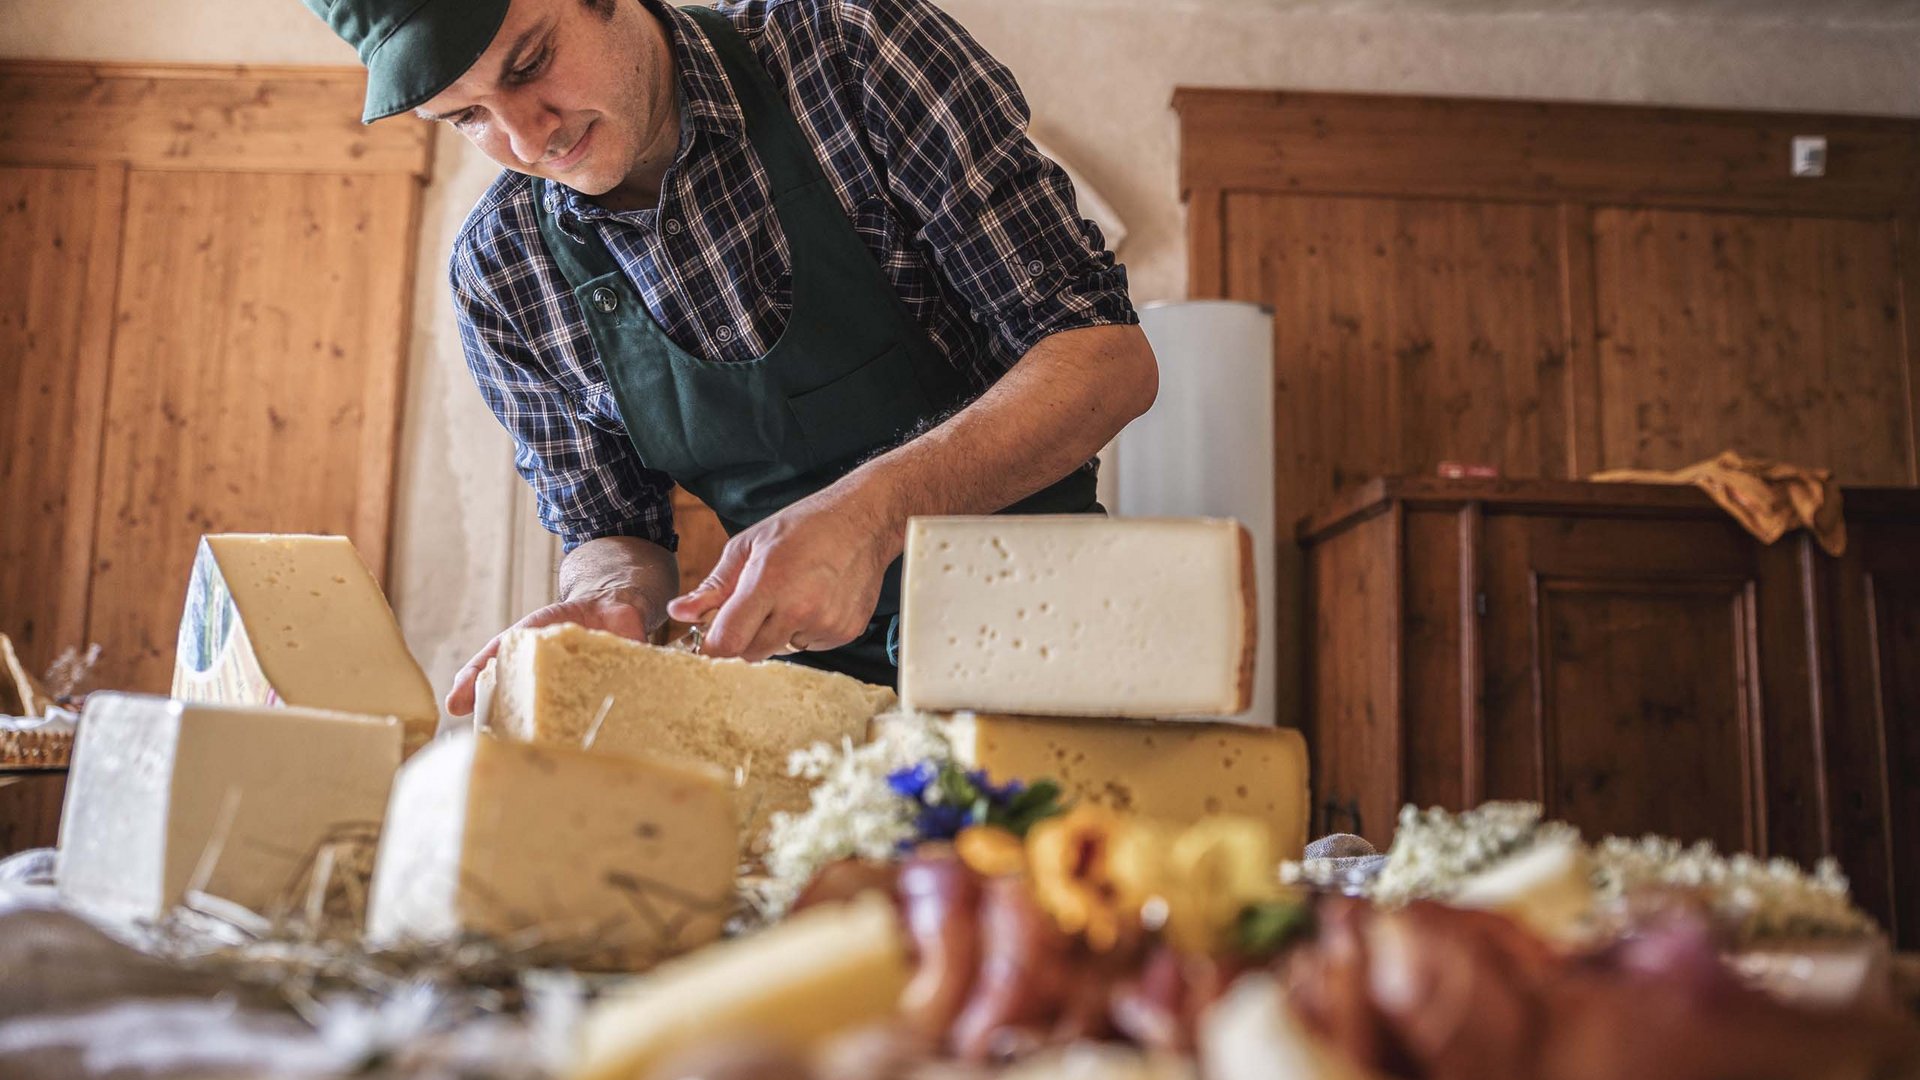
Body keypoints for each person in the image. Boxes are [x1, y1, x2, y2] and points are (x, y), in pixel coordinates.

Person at [302, 0, 1158, 707]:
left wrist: (870, 515)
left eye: (529, 64)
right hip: (802, 703)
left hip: (1049, 654)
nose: (528, 141)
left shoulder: (849, 53)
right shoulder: (502, 272)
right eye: (467, 118)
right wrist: (606, 605)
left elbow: (1106, 360)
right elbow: (609, 528)